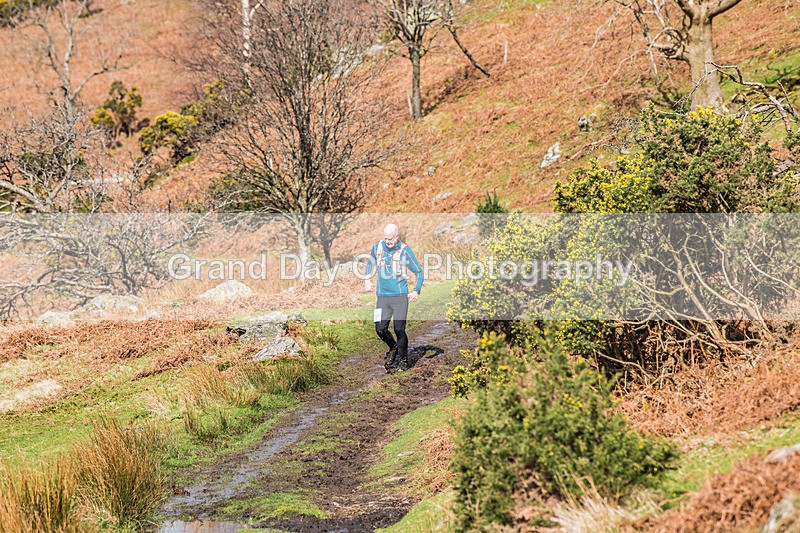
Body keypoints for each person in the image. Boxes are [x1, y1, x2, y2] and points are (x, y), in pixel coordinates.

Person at [363, 223, 423, 372]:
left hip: (400, 297)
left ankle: (403, 360)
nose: (387, 242)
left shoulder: (404, 251)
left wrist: (416, 290)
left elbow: (419, 272)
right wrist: (367, 280)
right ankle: (393, 347)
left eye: (390, 239)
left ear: (397, 236)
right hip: (382, 297)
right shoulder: (377, 246)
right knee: (380, 329)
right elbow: (370, 264)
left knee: (399, 329)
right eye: (385, 238)